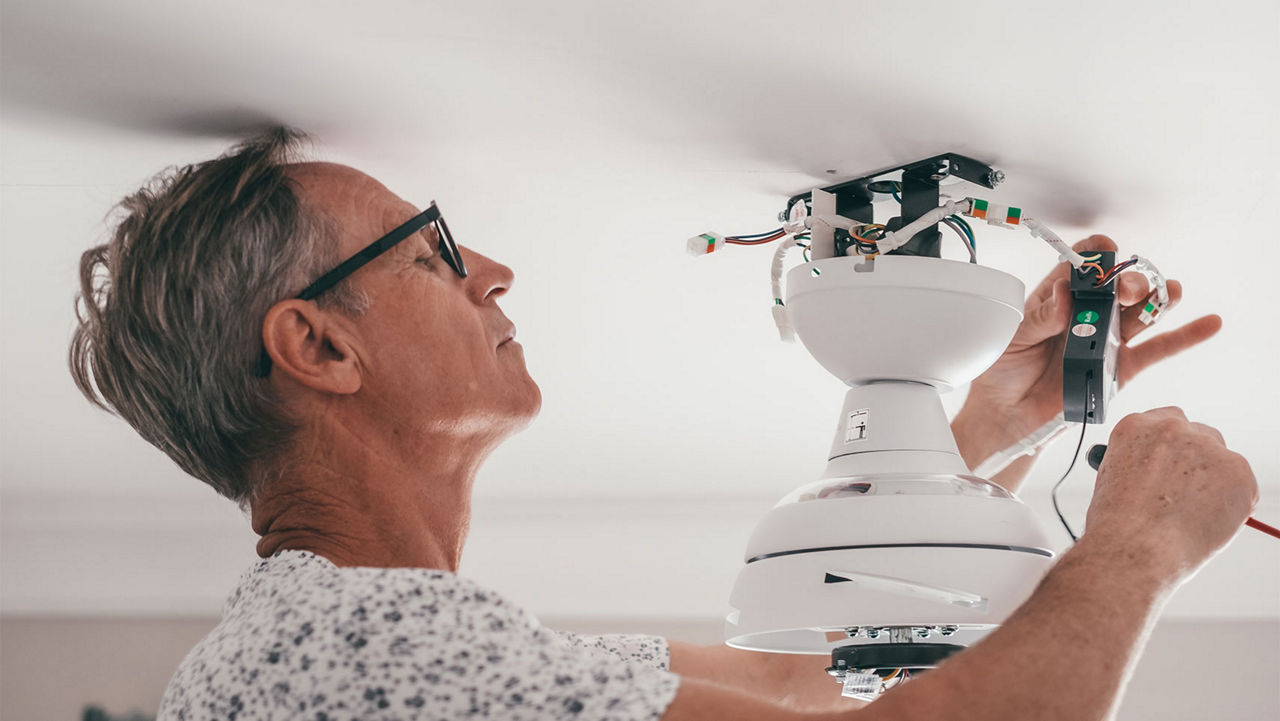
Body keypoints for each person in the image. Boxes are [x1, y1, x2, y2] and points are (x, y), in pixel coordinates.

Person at [70, 129, 1256, 721]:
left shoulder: (368, 651)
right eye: (431, 251)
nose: (492, 268)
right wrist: (1136, 547)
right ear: (320, 347)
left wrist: (974, 432)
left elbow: (800, 677)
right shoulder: (356, 650)